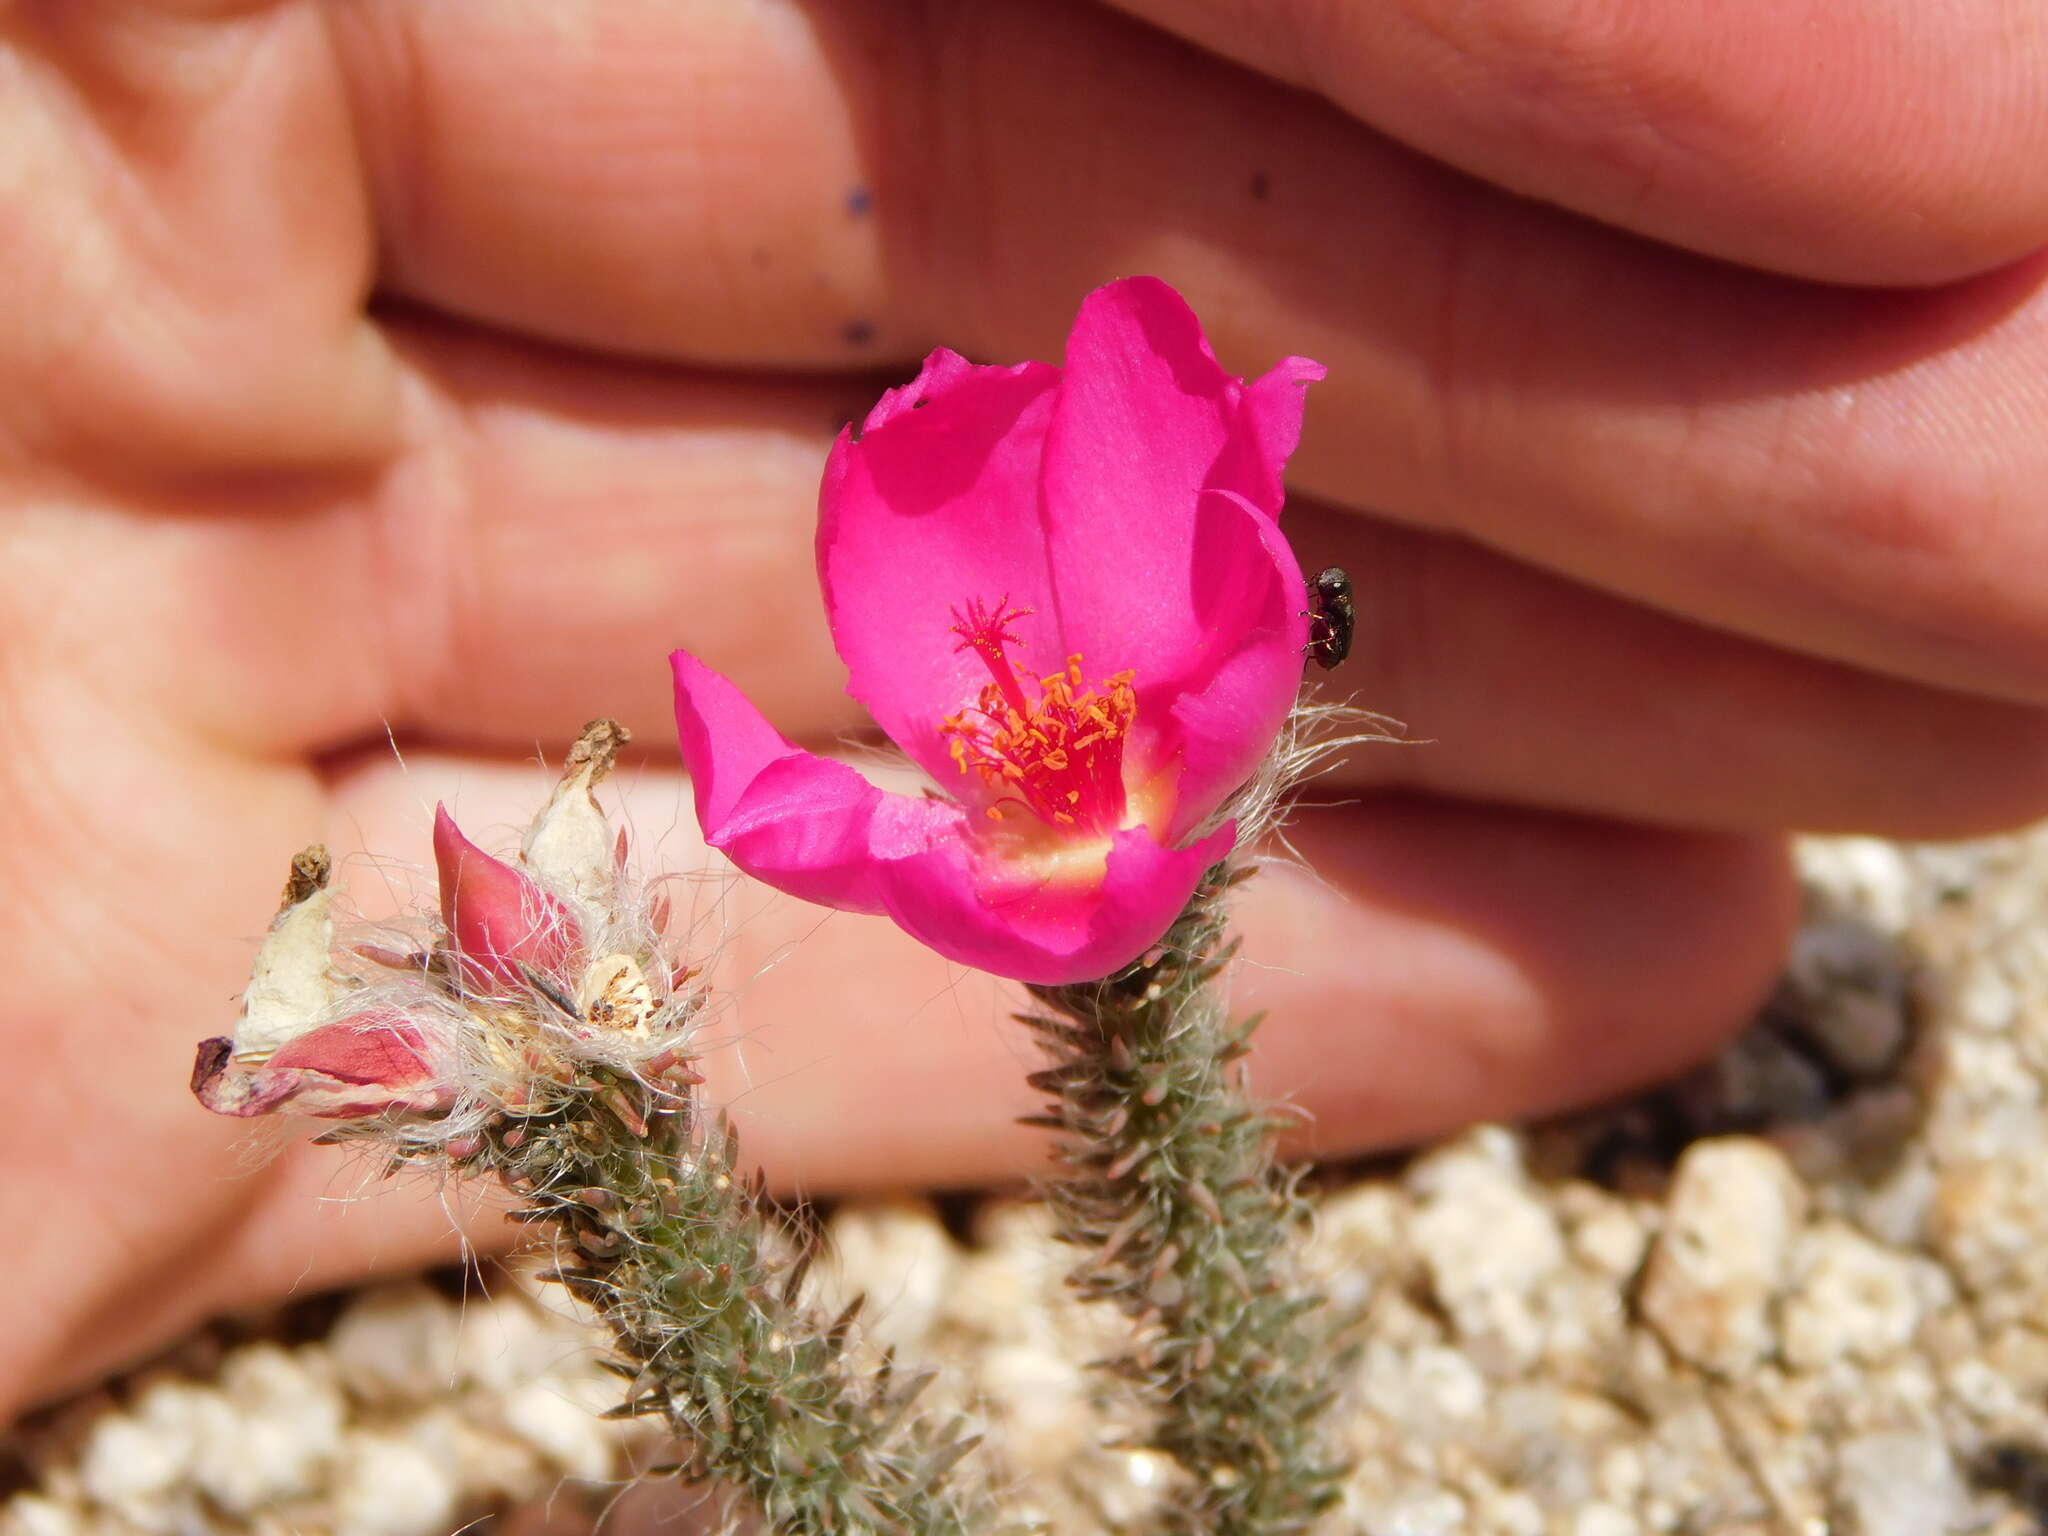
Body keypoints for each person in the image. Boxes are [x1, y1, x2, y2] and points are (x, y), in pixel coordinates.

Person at [4, 0, 2044, 1419]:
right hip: (1050, 867)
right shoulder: (984, 792)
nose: (1030, 726)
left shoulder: (1149, 704)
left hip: (1125, 846)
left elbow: (1201, 540)